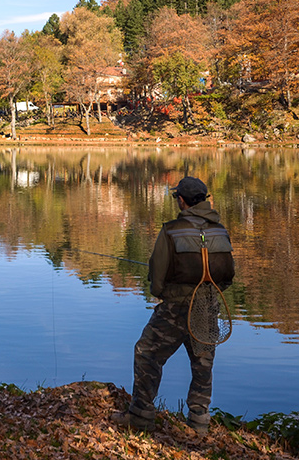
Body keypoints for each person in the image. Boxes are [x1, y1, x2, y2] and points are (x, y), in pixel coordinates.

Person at [112, 176, 235, 436]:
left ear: (181, 201)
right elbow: (228, 275)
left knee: (147, 353)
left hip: (175, 308)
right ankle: (199, 422)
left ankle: (141, 414)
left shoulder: (171, 230)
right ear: (204, 199)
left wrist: (164, 293)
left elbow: (157, 276)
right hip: (208, 307)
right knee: (202, 365)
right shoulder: (219, 230)